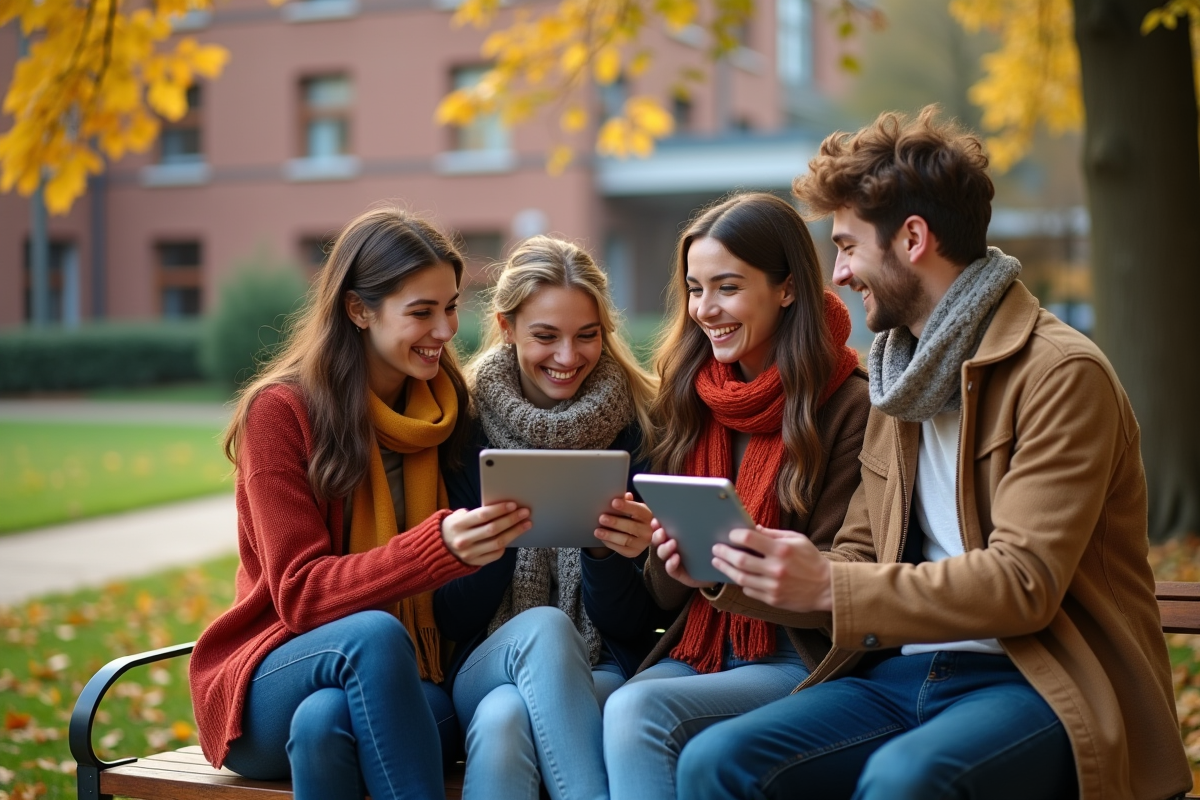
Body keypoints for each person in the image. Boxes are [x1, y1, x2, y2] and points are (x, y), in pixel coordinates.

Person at [675, 107, 1192, 800]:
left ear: (913, 238)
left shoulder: (1060, 373)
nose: (841, 274)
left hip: (1040, 679)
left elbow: (1024, 584)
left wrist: (829, 586)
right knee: (717, 761)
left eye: (849, 247)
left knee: (906, 781)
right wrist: (740, 570)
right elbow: (859, 558)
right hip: (904, 673)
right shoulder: (901, 378)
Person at [188, 207, 533, 800]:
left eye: (450, 306)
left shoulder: (446, 411)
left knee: (323, 723)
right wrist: (435, 549)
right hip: (268, 673)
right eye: (421, 312)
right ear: (358, 310)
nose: (446, 330)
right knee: (371, 635)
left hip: (410, 678)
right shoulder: (282, 413)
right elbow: (299, 595)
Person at [601, 192, 871, 800]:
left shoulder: (849, 405)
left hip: (794, 656)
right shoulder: (692, 399)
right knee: (599, 702)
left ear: (787, 288)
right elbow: (668, 597)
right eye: (695, 289)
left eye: (727, 287)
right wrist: (667, 555)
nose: (705, 309)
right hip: (699, 647)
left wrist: (724, 573)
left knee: (636, 710)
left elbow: (842, 585)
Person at [433, 235, 664, 800]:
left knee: (505, 721)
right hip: (485, 659)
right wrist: (494, 542)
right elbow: (451, 619)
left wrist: (607, 552)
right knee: (542, 631)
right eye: (545, 336)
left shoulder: (640, 426)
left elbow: (635, 626)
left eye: (587, 335)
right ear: (507, 327)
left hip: (602, 664)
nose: (568, 357)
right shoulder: (460, 425)